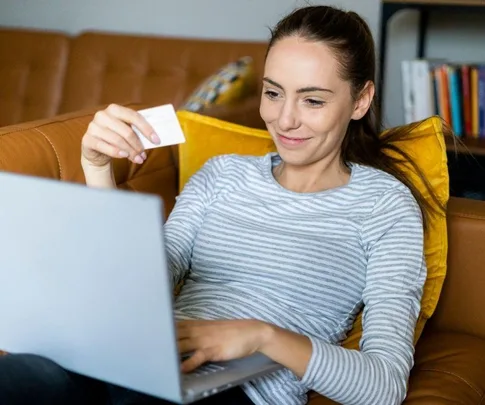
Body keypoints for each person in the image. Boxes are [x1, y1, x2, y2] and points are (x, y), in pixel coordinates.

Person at [0, 5, 446, 405]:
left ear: (360, 100)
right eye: (273, 93)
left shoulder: (385, 206)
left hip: (234, 391)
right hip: (130, 355)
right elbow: (142, 281)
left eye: (312, 100)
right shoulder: (222, 174)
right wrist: (96, 170)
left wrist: (258, 336)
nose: (284, 119)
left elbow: (384, 385)